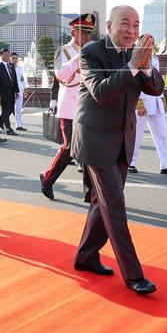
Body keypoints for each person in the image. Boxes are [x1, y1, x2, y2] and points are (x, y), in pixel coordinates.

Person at [71, 5, 162, 295]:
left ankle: (85, 256)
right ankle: (134, 275)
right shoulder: (91, 52)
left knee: (102, 202)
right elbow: (101, 92)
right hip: (95, 138)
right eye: (125, 24)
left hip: (122, 139)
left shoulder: (134, 53)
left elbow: (156, 89)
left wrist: (145, 66)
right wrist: (133, 65)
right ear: (110, 25)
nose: (131, 31)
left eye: (136, 25)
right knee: (114, 204)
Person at [40, 13, 94, 199]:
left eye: (89, 33)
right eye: (83, 32)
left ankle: (90, 192)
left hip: (89, 106)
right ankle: (48, 179)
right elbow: (60, 74)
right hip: (70, 107)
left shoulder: (93, 50)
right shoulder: (62, 52)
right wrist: (79, 57)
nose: (87, 36)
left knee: (89, 149)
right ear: (73, 31)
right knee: (70, 147)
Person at [129, 54, 167, 175]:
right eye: (149, 42)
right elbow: (133, 83)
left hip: (156, 102)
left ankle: (166, 165)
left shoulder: (155, 59)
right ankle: (130, 163)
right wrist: (138, 103)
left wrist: (161, 99)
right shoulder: (135, 58)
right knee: (136, 135)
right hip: (142, 103)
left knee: (162, 134)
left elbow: (156, 81)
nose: (151, 46)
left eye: (152, 43)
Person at [0, 48, 19, 135]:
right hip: (3, 93)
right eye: (4, 55)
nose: (6, 56)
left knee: (10, 110)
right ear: (1, 56)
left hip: (11, 92)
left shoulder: (11, 66)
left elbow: (14, 79)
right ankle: (8, 129)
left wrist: (17, 91)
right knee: (5, 109)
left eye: (8, 55)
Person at [12, 52, 27, 131]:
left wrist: (25, 88)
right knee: (8, 109)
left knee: (18, 109)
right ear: (10, 58)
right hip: (11, 92)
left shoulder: (20, 69)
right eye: (13, 58)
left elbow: (22, 79)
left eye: (16, 58)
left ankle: (19, 125)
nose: (15, 59)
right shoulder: (8, 68)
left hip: (20, 91)